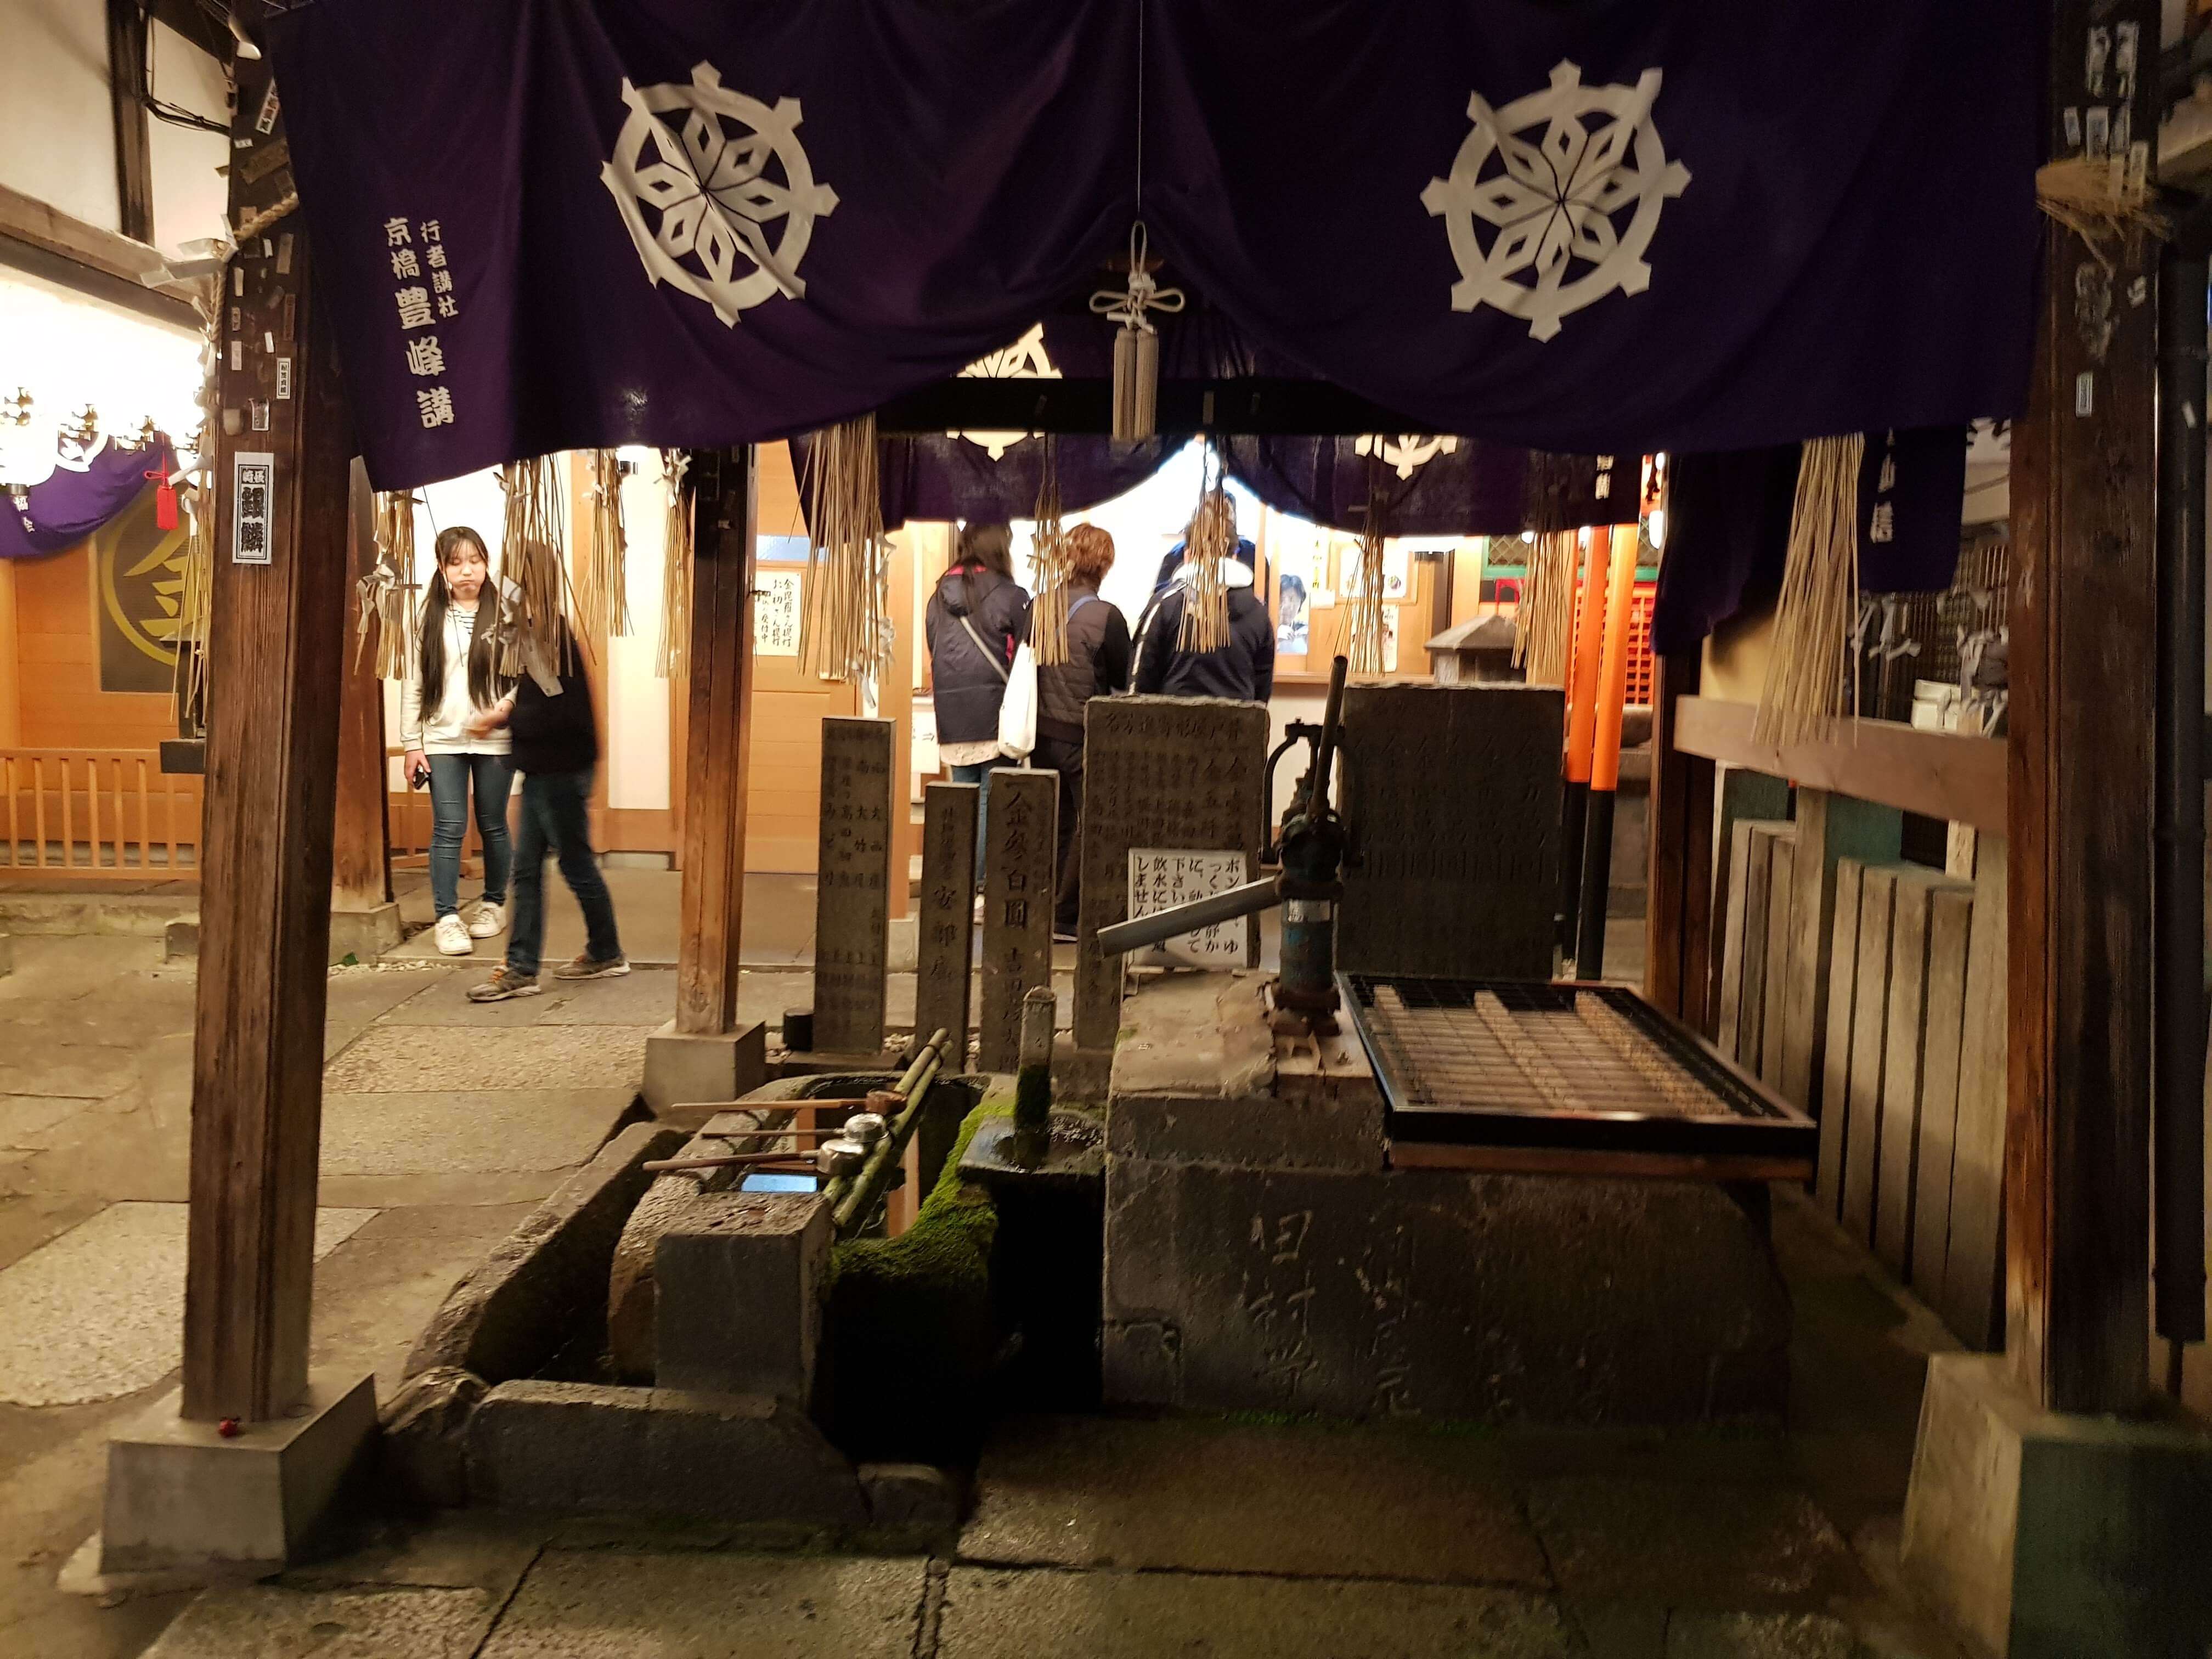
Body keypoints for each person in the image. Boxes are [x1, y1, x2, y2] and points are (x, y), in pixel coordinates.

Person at [465, 615, 628, 1001]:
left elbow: (556, 713)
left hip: (559, 770)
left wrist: (502, 721)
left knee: (560, 866)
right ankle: (595, 953)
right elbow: (540, 700)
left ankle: (530, 967)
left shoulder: (544, 637)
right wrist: (504, 716)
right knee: (538, 867)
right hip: (552, 768)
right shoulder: (541, 633)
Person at [400, 526, 515, 958]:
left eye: (475, 560)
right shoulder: (427, 612)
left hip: (496, 736)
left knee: (493, 822)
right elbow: (414, 682)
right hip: (442, 737)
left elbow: (527, 673)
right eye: (456, 562)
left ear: (487, 562)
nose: (467, 571)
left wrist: (502, 709)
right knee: (449, 827)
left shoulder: (509, 609)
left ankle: (493, 904)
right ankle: (447, 918)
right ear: (443, 568)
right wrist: (413, 743)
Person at [1034, 524, 1132, 940]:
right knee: (1086, 821)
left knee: (1050, 820)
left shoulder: (1038, 607)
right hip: (1081, 735)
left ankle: (1043, 905)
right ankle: (1066, 914)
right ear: (1104, 566)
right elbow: (1120, 681)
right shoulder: (1108, 617)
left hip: (1040, 733)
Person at [923, 520, 1030, 882]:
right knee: (990, 801)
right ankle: (982, 887)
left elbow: (934, 650)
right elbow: (1024, 659)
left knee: (961, 800)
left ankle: (957, 886)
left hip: (952, 714)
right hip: (996, 713)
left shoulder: (937, 596)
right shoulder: (1012, 596)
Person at [1132, 516, 1276, 703]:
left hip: (1172, 727)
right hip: (1237, 728)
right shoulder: (1258, 613)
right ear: (1234, 556)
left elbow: (1138, 685)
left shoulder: (1165, 605)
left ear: (1188, 554)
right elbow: (1262, 692)